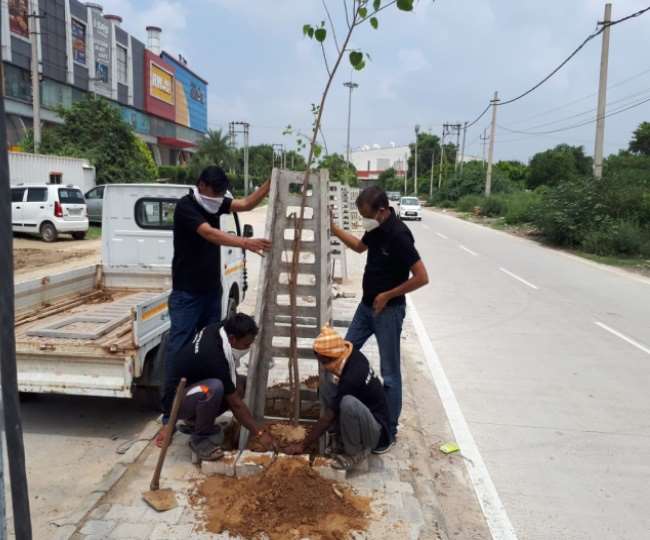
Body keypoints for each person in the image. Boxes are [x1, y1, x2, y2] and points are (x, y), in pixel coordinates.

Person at [330, 186, 429, 451]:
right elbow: (360, 247)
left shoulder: (399, 235)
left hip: (388, 312)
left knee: (390, 375)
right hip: (365, 308)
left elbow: (422, 277)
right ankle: (347, 409)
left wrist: (388, 295)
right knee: (342, 354)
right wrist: (334, 229)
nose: (364, 220)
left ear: (382, 211)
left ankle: (388, 432)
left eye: (366, 215)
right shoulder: (375, 229)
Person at [166, 165, 271, 369]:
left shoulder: (213, 203)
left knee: (209, 344)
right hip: (187, 294)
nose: (219, 198)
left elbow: (247, 204)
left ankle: (205, 390)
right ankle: (172, 398)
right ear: (202, 185)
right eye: (217, 192)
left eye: (222, 193)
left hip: (212, 292)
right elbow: (209, 233)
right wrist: (245, 242)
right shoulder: (186, 207)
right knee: (180, 347)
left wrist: (270, 183)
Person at [161, 313, 277, 460]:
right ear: (232, 339)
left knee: (239, 384)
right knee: (213, 389)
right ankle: (200, 440)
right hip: (178, 401)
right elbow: (236, 404)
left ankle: (196, 422)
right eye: (246, 344)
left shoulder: (219, 329)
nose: (248, 348)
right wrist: (259, 433)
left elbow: (232, 383)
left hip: (193, 387)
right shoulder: (214, 357)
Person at [284, 326, 391, 471]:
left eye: (323, 361)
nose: (322, 365)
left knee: (348, 403)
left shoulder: (352, 376)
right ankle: (339, 435)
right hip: (365, 416)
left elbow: (328, 416)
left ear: (332, 357)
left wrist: (303, 444)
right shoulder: (351, 355)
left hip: (375, 432)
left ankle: (354, 454)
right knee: (327, 383)